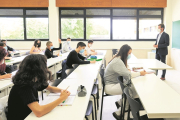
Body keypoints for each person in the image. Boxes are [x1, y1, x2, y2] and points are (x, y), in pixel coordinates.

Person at [7, 54, 71, 120]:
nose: (46, 68)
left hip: (30, 115)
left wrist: (62, 91)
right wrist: (61, 98)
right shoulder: (23, 85)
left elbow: (51, 88)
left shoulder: (33, 79)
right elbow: (39, 112)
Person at [104, 44, 147, 120]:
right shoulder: (117, 61)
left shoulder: (118, 59)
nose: (130, 55)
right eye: (129, 53)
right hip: (111, 86)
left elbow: (126, 72)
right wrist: (140, 73)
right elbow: (128, 75)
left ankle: (121, 103)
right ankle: (120, 112)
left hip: (114, 83)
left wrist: (129, 71)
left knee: (131, 87)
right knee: (131, 90)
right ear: (125, 52)